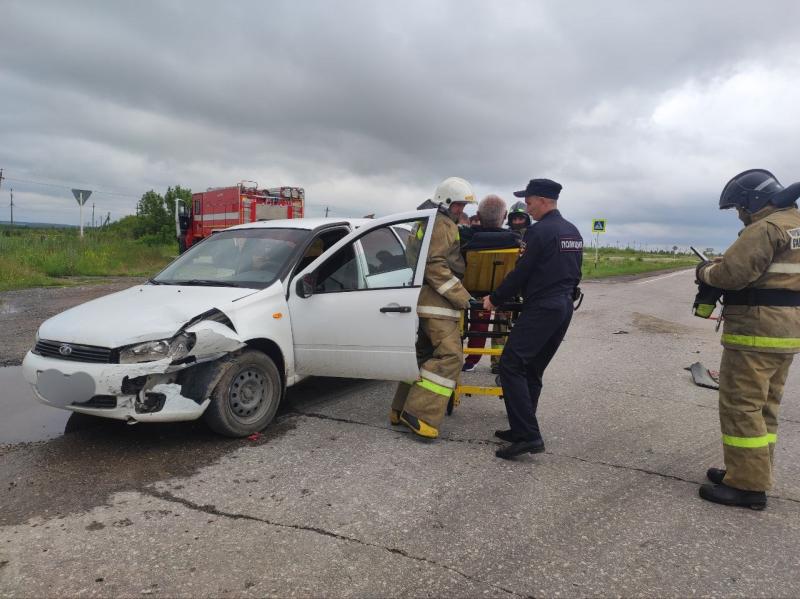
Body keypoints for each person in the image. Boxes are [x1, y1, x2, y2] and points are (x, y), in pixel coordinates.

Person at [695, 169, 800, 510]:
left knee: (741, 406)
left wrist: (705, 271)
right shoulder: (794, 224)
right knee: (765, 407)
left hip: (756, 333)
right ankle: (752, 470)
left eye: (740, 207)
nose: (740, 214)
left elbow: (732, 274)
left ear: (753, 201)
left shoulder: (765, 228)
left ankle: (746, 486)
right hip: (785, 332)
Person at [483, 178, 583, 459]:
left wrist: (495, 298)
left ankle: (528, 435)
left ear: (543, 200)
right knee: (532, 369)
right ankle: (521, 429)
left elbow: (521, 273)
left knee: (511, 364)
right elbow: (576, 272)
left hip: (542, 307)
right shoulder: (572, 232)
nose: (527, 209)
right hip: (563, 306)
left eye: (529, 203)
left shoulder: (538, 232)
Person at [390, 177, 476, 439]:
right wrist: (463, 297)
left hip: (423, 299)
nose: (461, 210)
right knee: (451, 357)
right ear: (446, 201)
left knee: (423, 356)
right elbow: (435, 265)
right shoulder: (442, 223)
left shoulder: (425, 221)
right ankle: (419, 414)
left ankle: (399, 409)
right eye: (459, 205)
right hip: (438, 304)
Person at [460, 194, 520, 373]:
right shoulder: (514, 240)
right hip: (504, 293)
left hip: (473, 292)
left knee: (478, 324)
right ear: (505, 215)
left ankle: (472, 360)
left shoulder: (466, 237)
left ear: (478, 215)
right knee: (502, 325)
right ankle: (498, 361)